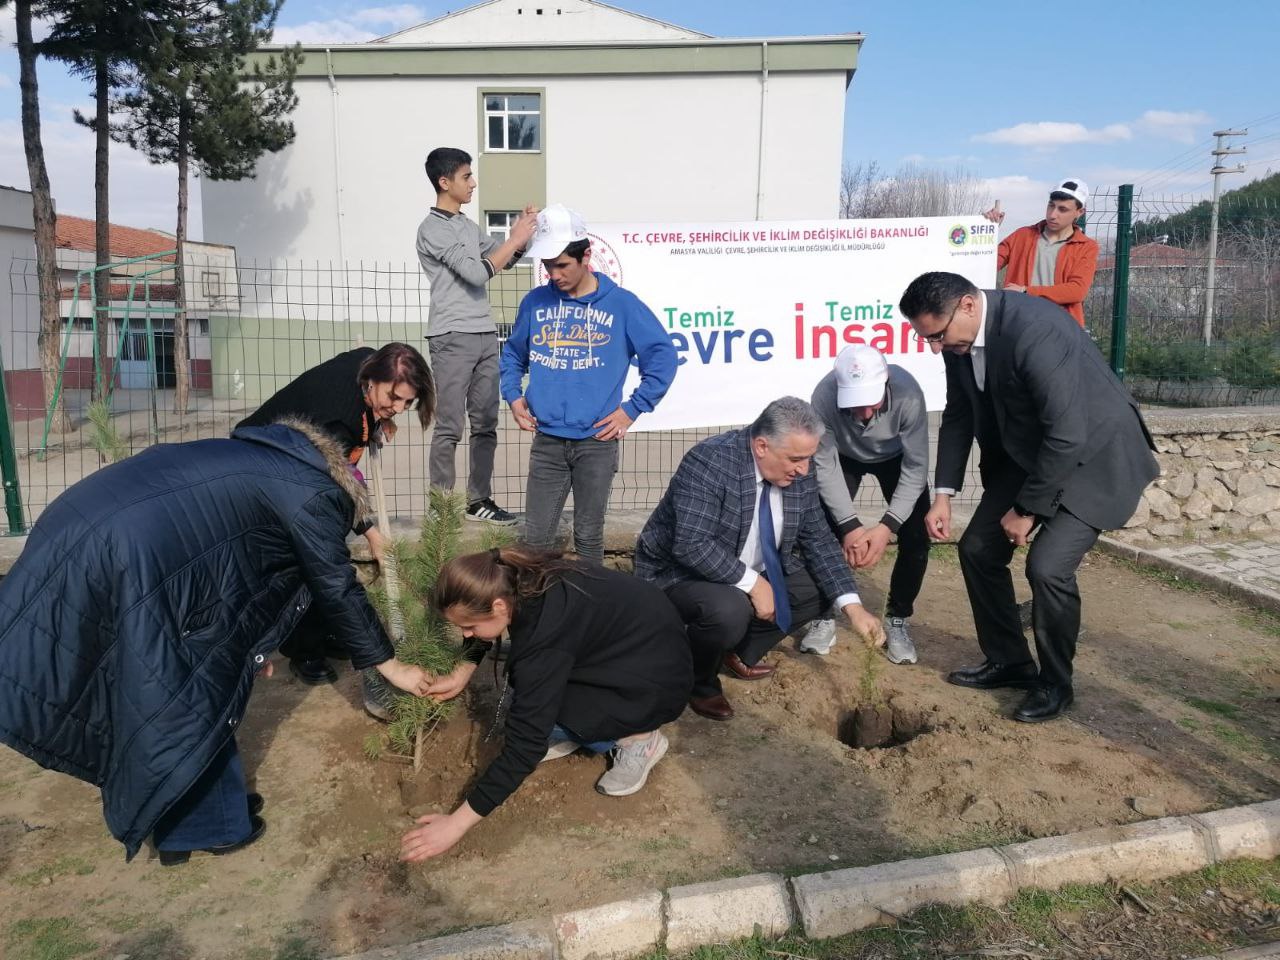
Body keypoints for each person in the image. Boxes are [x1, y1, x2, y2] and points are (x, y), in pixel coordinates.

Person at [0, 419, 435, 864]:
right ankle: (202, 828)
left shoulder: (264, 460)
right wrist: (390, 665)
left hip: (92, 521)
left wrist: (253, 646)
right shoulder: (314, 496)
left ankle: (207, 812)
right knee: (183, 689)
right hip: (127, 553)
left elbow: (235, 567)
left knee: (195, 676)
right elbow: (336, 586)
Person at [899, 272, 1158, 723]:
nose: (935, 347)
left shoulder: (1035, 329)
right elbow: (959, 414)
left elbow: (1068, 432)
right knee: (978, 548)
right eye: (926, 340)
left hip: (1096, 455)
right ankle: (1011, 662)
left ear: (966, 306)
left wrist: (1027, 509)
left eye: (937, 335)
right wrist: (942, 494)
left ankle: (1056, 684)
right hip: (1036, 454)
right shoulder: (959, 342)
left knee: (1048, 567)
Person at [397, 546, 693, 862]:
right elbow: (491, 628)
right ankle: (575, 726)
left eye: (469, 627)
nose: (466, 635)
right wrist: (462, 671)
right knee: (533, 699)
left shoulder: (544, 640)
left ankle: (640, 739)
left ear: (498, 606)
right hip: (636, 647)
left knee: (537, 715)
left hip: (655, 682)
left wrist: (455, 825)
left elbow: (525, 747)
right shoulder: (513, 574)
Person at [635, 397, 886, 722]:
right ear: (762, 446)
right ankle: (698, 681)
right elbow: (691, 545)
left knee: (819, 588)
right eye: (796, 459)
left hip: (749, 565)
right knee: (727, 610)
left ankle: (735, 652)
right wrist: (754, 584)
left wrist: (854, 609)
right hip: (680, 574)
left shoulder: (799, 468)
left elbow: (819, 540)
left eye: (809, 459)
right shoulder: (711, 461)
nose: (804, 470)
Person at [237, 342, 435, 702]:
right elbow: (341, 481)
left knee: (324, 549)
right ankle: (304, 649)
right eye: (394, 398)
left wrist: (382, 415)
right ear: (373, 378)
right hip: (259, 465)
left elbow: (345, 467)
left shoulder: (369, 364)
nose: (399, 408)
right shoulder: (337, 416)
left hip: (304, 460)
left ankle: (326, 633)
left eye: (407, 403)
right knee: (307, 558)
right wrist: (370, 531)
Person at [500, 204, 678, 564]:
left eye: (562, 265)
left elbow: (663, 357)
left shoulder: (622, 306)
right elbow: (513, 355)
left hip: (597, 442)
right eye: (548, 266)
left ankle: (594, 616)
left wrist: (632, 409)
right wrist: (513, 397)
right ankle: (539, 614)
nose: (554, 274)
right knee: (534, 542)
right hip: (547, 440)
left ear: (586, 256)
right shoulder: (535, 302)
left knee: (588, 537)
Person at [416, 146, 537, 526]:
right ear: (444, 181)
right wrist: (513, 241)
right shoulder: (432, 229)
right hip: (452, 335)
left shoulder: (468, 227)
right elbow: (477, 272)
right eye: (467, 177)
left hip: (485, 333)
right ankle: (442, 506)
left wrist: (526, 233)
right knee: (450, 425)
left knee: (486, 422)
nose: (473, 183)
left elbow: (503, 257)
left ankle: (478, 500)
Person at [804, 344, 932, 665]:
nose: (863, 414)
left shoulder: (909, 395)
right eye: (854, 404)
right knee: (821, 528)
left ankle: (898, 618)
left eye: (869, 402)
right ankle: (822, 615)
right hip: (844, 457)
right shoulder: (823, 396)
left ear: (886, 381)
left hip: (896, 457)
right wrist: (849, 526)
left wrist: (888, 526)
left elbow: (917, 467)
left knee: (917, 535)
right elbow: (824, 463)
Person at [983, 178, 1099, 327]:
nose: (1052, 214)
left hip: (1060, 329)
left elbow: (1077, 290)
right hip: (1017, 325)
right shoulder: (1022, 235)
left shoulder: (1086, 247)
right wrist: (987, 231)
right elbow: (986, 265)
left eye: (1062, 209)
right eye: (1051, 206)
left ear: (1080, 212)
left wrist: (1026, 291)